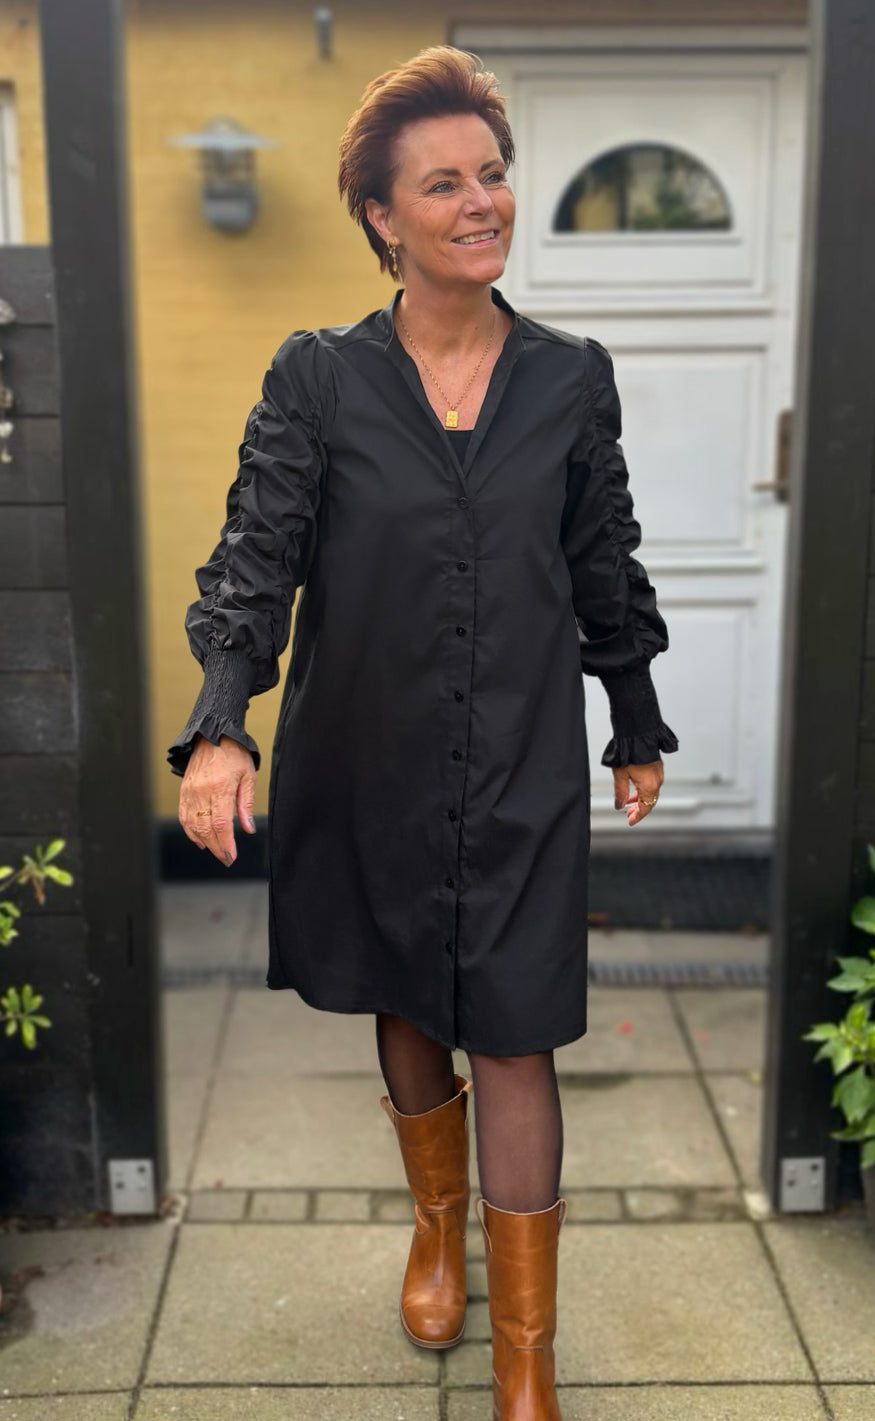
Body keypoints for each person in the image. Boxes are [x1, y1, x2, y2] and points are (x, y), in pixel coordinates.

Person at [168, 45, 678, 1421]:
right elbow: (255, 560)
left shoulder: (570, 379)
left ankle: (526, 1361)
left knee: (515, 1031)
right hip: (370, 748)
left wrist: (634, 714)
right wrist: (223, 725)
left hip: (520, 759)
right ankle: (437, 1227)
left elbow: (602, 557)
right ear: (382, 218)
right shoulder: (319, 379)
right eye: (442, 183)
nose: (480, 201)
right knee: (408, 996)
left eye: (491, 174)